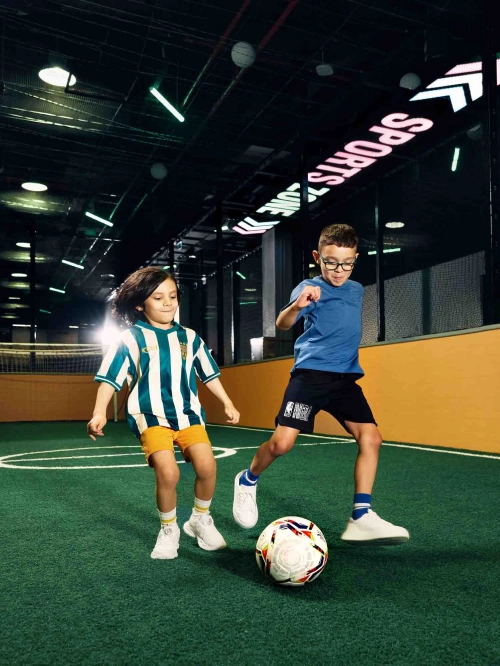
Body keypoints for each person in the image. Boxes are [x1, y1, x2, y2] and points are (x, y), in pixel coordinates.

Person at [233, 224, 409, 545]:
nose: (338, 270)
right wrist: (298, 305)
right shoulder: (309, 288)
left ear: (355, 259)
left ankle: (361, 516)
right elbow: (282, 323)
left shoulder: (356, 289)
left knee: (371, 438)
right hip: (310, 377)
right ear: (318, 258)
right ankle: (247, 480)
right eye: (330, 262)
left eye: (346, 263)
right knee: (281, 444)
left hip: (344, 380)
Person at [87, 267, 240, 560]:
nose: (168, 303)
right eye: (158, 298)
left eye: (172, 296)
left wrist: (227, 402)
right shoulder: (131, 339)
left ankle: (200, 519)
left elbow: (209, 374)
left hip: (188, 415)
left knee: (208, 466)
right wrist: (99, 412)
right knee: (168, 473)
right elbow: (109, 379)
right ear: (140, 303)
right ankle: (169, 529)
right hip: (150, 416)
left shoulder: (191, 338)